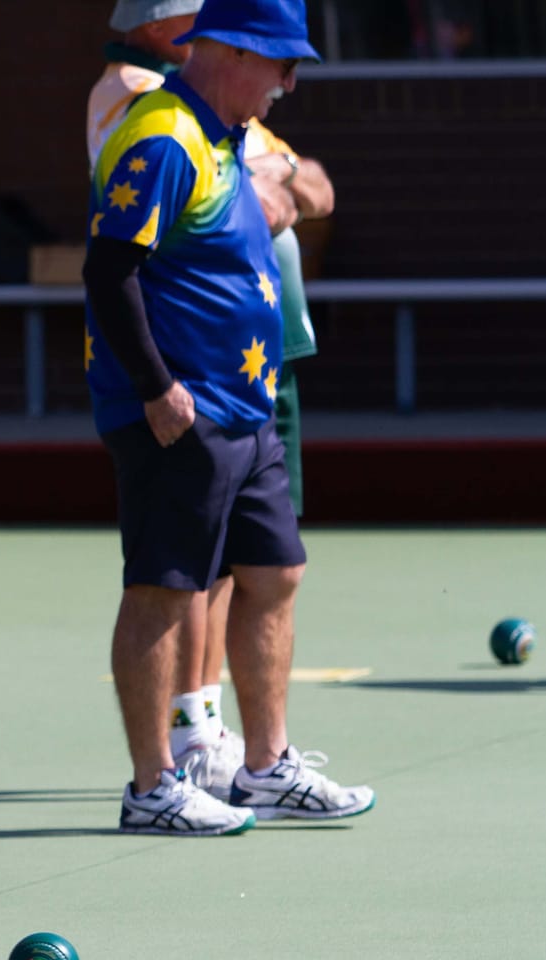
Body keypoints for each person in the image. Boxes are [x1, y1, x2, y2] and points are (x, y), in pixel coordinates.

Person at [82, 0, 373, 834]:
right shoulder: (164, 136)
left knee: (275, 574)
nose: (289, 83)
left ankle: (266, 767)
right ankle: (152, 786)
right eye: (283, 62)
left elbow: (308, 196)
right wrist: (156, 388)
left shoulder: (225, 134)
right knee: (163, 589)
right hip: (182, 408)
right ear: (233, 51)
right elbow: (109, 270)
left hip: (247, 404)